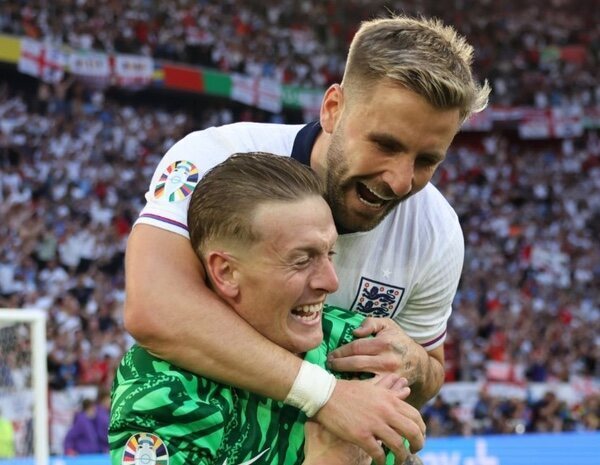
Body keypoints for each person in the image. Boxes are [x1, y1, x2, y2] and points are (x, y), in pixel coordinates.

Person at [124, 14, 490, 463]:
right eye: (385, 145)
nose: (400, 180)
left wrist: (414, 366)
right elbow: (153, 308)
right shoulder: (212, 159)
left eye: (427, 160)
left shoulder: (436, 232)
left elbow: (428, 374)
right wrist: (325, 396)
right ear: (333, 108)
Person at [109, 153, 421, 465]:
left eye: (329, 254)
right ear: (227, 272)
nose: (331, 282)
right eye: (302, 260)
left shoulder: (357, 348)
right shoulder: (161, 390)